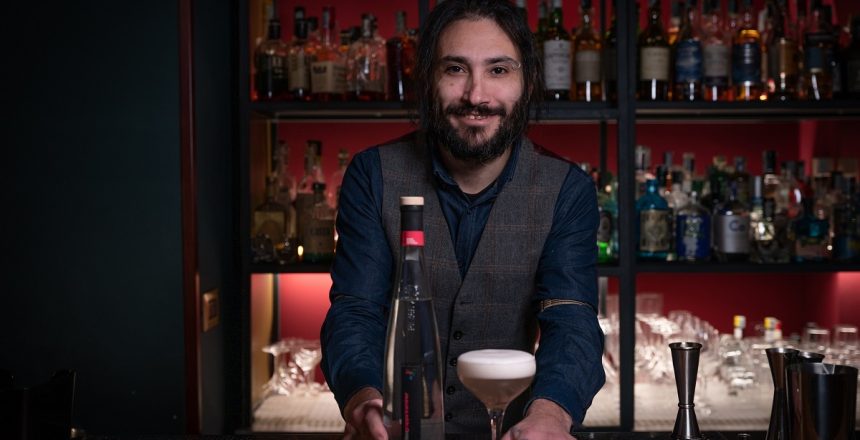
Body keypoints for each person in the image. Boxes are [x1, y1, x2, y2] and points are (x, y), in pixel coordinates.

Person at [320, 0, 605, 438]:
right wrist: (362, 397)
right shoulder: (373, 174)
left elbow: (570, 317)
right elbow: (356, 309)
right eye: (455, 69)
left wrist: (551, 414)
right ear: (428, 80)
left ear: (526, 82)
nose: (476, 96)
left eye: (498, 70)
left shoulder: (567, 190)